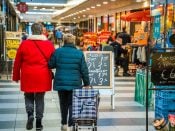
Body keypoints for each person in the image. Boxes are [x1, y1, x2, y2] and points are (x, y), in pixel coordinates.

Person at [12, 23, 55, 131]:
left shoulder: (24, 44)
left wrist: (16, 76)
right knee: (40, 98)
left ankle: (30, 114)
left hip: (28, 74)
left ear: (32, 31)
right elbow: (53, 61)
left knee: (28, 95)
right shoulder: (49, 44)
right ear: (42, 31)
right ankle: (39, 123)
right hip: (43, 74)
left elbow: (17, 62)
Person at [48, 33, 90, 131]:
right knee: (72, 104)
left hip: (61, 82)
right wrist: (87, 83)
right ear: (74, 42)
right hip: (75, 83)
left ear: (64, 41)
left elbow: (50, 65)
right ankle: (71, 124)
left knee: (63, 104)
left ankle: (64, 124)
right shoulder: (79, 53)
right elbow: (84, 69)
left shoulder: (58, 52)